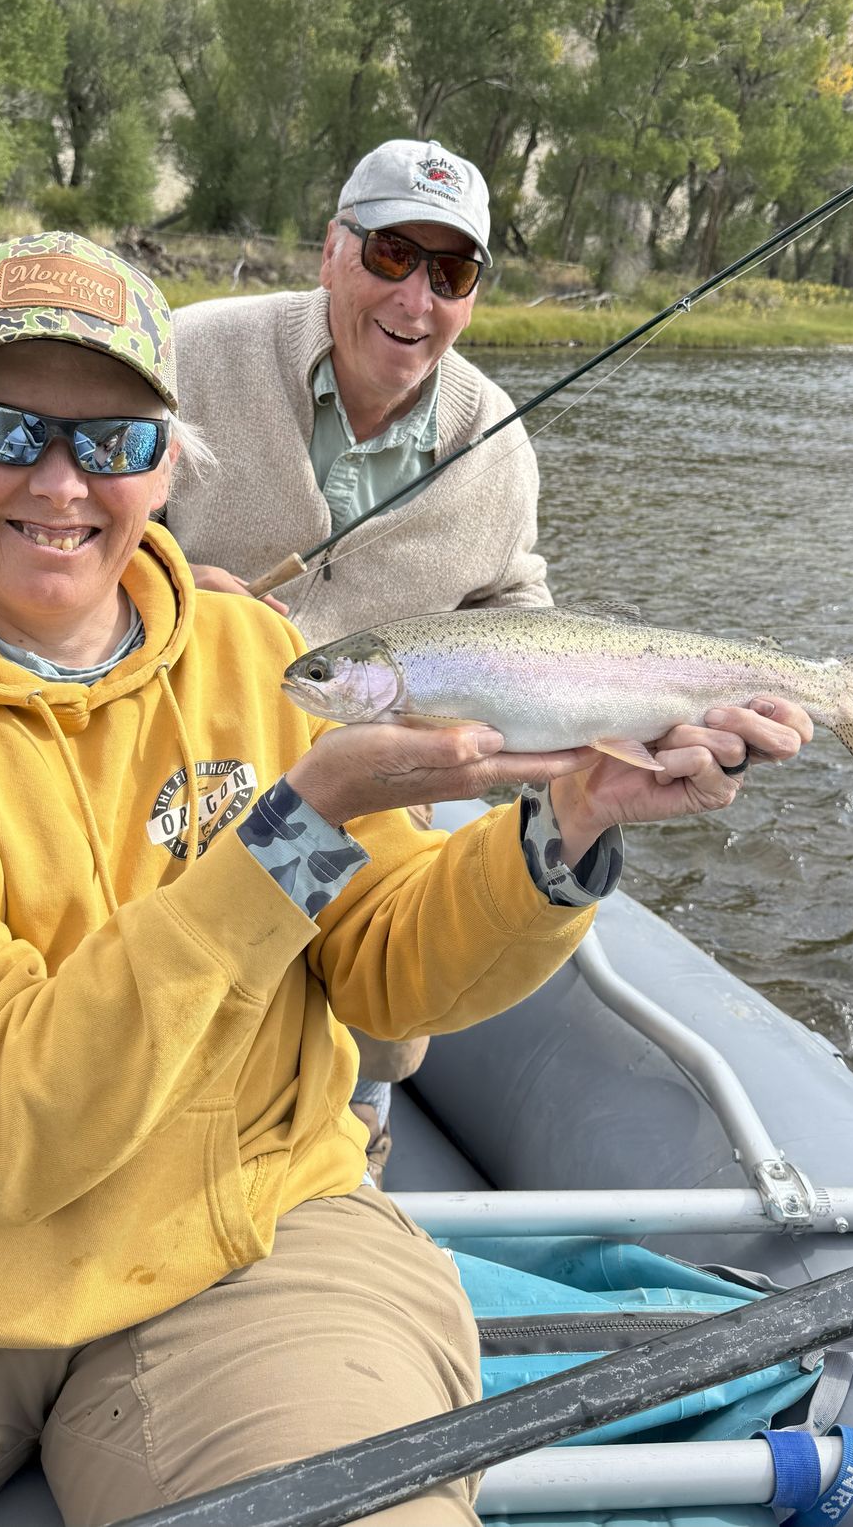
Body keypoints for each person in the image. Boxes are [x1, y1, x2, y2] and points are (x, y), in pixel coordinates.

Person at [0, 230, 811, 1527]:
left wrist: (563, 825)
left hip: (243, 1242)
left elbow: (390, 964)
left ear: (166, 463)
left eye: (108, 441)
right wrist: (289, 830)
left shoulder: (251, 660)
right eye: (4, 427)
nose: (59, 481)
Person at [165, 139, 552, 1170]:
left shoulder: (496, 440)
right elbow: (71, 515)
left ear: (471, 292)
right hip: (174, 747)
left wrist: (532, 725)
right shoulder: (189, 353)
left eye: (451, 271)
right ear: (332, 251)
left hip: (385, 774)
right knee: (187, 958)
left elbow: (512, 597)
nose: (416, 297)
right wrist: (164, 583)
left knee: (386, 1004)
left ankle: (360, 1118)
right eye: (391, 254)